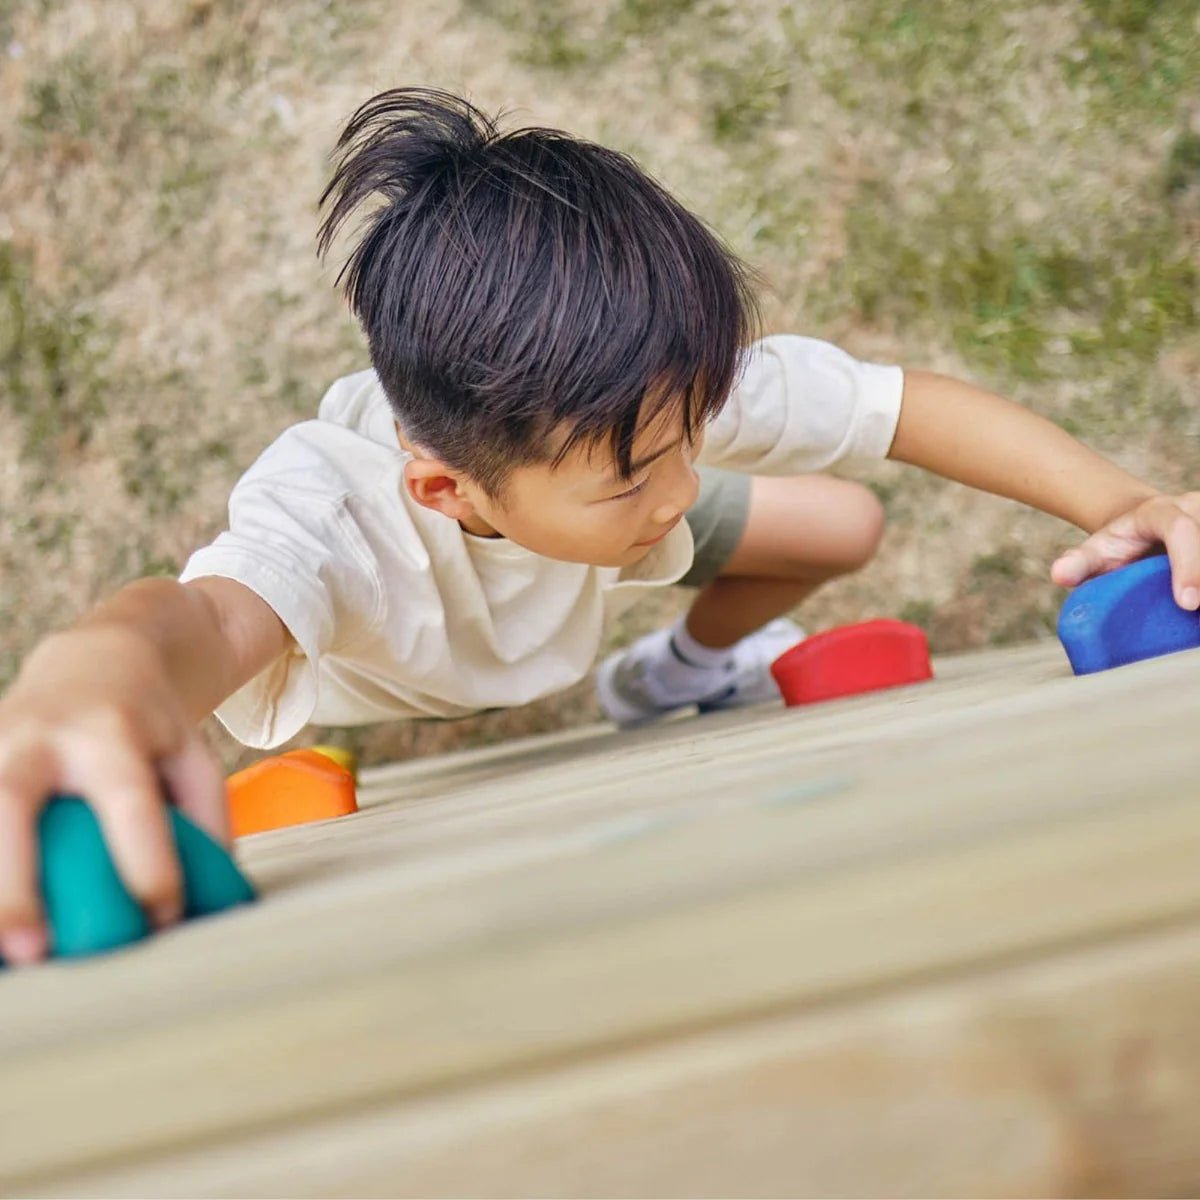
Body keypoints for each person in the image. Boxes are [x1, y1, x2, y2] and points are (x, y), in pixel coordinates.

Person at [0, 87, 1197, 966]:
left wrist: (1120, 502)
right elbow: (202, 615)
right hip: (391, 671)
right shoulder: (334, 521)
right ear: (447, 493)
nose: (677, 489)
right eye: (635, 476)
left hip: (578, 560)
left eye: (689, 441)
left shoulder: (640, 405)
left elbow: (904, 407)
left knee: (841, 521)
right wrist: (94, 669)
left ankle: (670, 671)